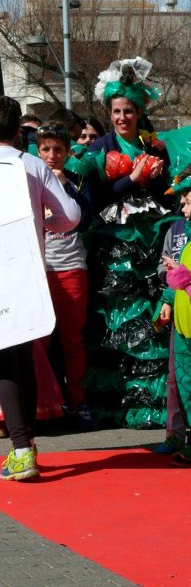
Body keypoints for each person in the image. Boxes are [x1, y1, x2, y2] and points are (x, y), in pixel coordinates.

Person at [0, 95, 80, 480]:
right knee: (23, 356)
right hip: (27, 271)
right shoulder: (31, 164)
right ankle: (26, 446)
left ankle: (22, 449)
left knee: (4, 360)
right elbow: (71, 215)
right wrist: (43, 226)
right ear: (18, 132)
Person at [84, 57, 174, 429]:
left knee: (149, 315)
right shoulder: (99, 149)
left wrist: (151, 176)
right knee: (117, 316)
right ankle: (116, 401)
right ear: (110, 113)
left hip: (149, 244)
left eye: (129, 111)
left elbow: (167, 193)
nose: (123, 117)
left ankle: (153, 402)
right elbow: (93, 200)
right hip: (113, 249)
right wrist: (130, 180)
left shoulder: (153, 145)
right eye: (117, 111)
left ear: (139, 112)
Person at [35, 122, 95, 431]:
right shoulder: (29, 181)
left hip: (72, 268)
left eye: (58, 149)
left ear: (68, 152)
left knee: (73, 340)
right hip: (39, 270)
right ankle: (43, 404)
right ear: (37, 151)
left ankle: (79, 401)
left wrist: (65, 187)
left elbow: (85, 219)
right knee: (40, 340)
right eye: (45, 149)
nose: (51, 155)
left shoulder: (78, 179)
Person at [152, 166, 191, 455]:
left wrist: (180, 275)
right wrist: (167, 298)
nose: (181, 205)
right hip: (181, 315)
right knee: (176, 379)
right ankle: (175, 435)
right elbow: (174, 271)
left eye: (186, 198)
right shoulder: (177, 228)